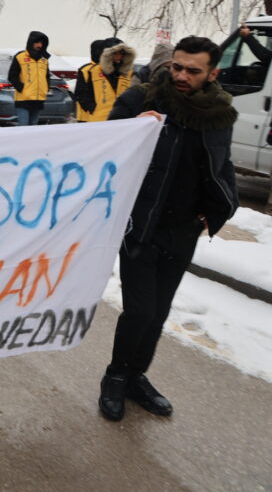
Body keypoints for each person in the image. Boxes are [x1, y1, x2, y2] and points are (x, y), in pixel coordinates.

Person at [98, 36, 238, 422]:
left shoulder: (219, 114)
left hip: (183, 230)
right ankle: (115, 376)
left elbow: (221, 166)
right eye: (177, 66)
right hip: (141, 226)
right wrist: (130, 131)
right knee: (140, 311)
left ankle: (135, 377)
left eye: (192, 70)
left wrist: (221, 208)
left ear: (212, 74)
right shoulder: (141, 100)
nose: (181, 75)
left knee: (159, 312)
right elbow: (104, 149)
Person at [78, 39, 137, 123]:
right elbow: (83, 94)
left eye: (122, 53)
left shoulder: (130, 73)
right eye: (115, 53)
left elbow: (134, 96)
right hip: (99, 119)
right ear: (108, 54)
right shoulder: (93, 71)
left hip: (122, 120)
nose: (119, 56)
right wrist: (93, 109)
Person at [8, 31, 51, 126]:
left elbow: (47, 76)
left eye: (41, 43)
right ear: (31, 42)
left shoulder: (44, 60)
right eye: (37, 42)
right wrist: (22, 88)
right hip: (23, 100)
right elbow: (12, 76)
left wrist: (46, 88)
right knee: (23, 126)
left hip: (38, 99)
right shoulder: (20, 57)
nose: (39, 45)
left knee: (33, 127)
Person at [75, 40, 106, 121]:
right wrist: (92, 109)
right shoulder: (85, 70)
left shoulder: (109, 69)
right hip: (86, 117)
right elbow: (80, 93)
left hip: (104, 116)